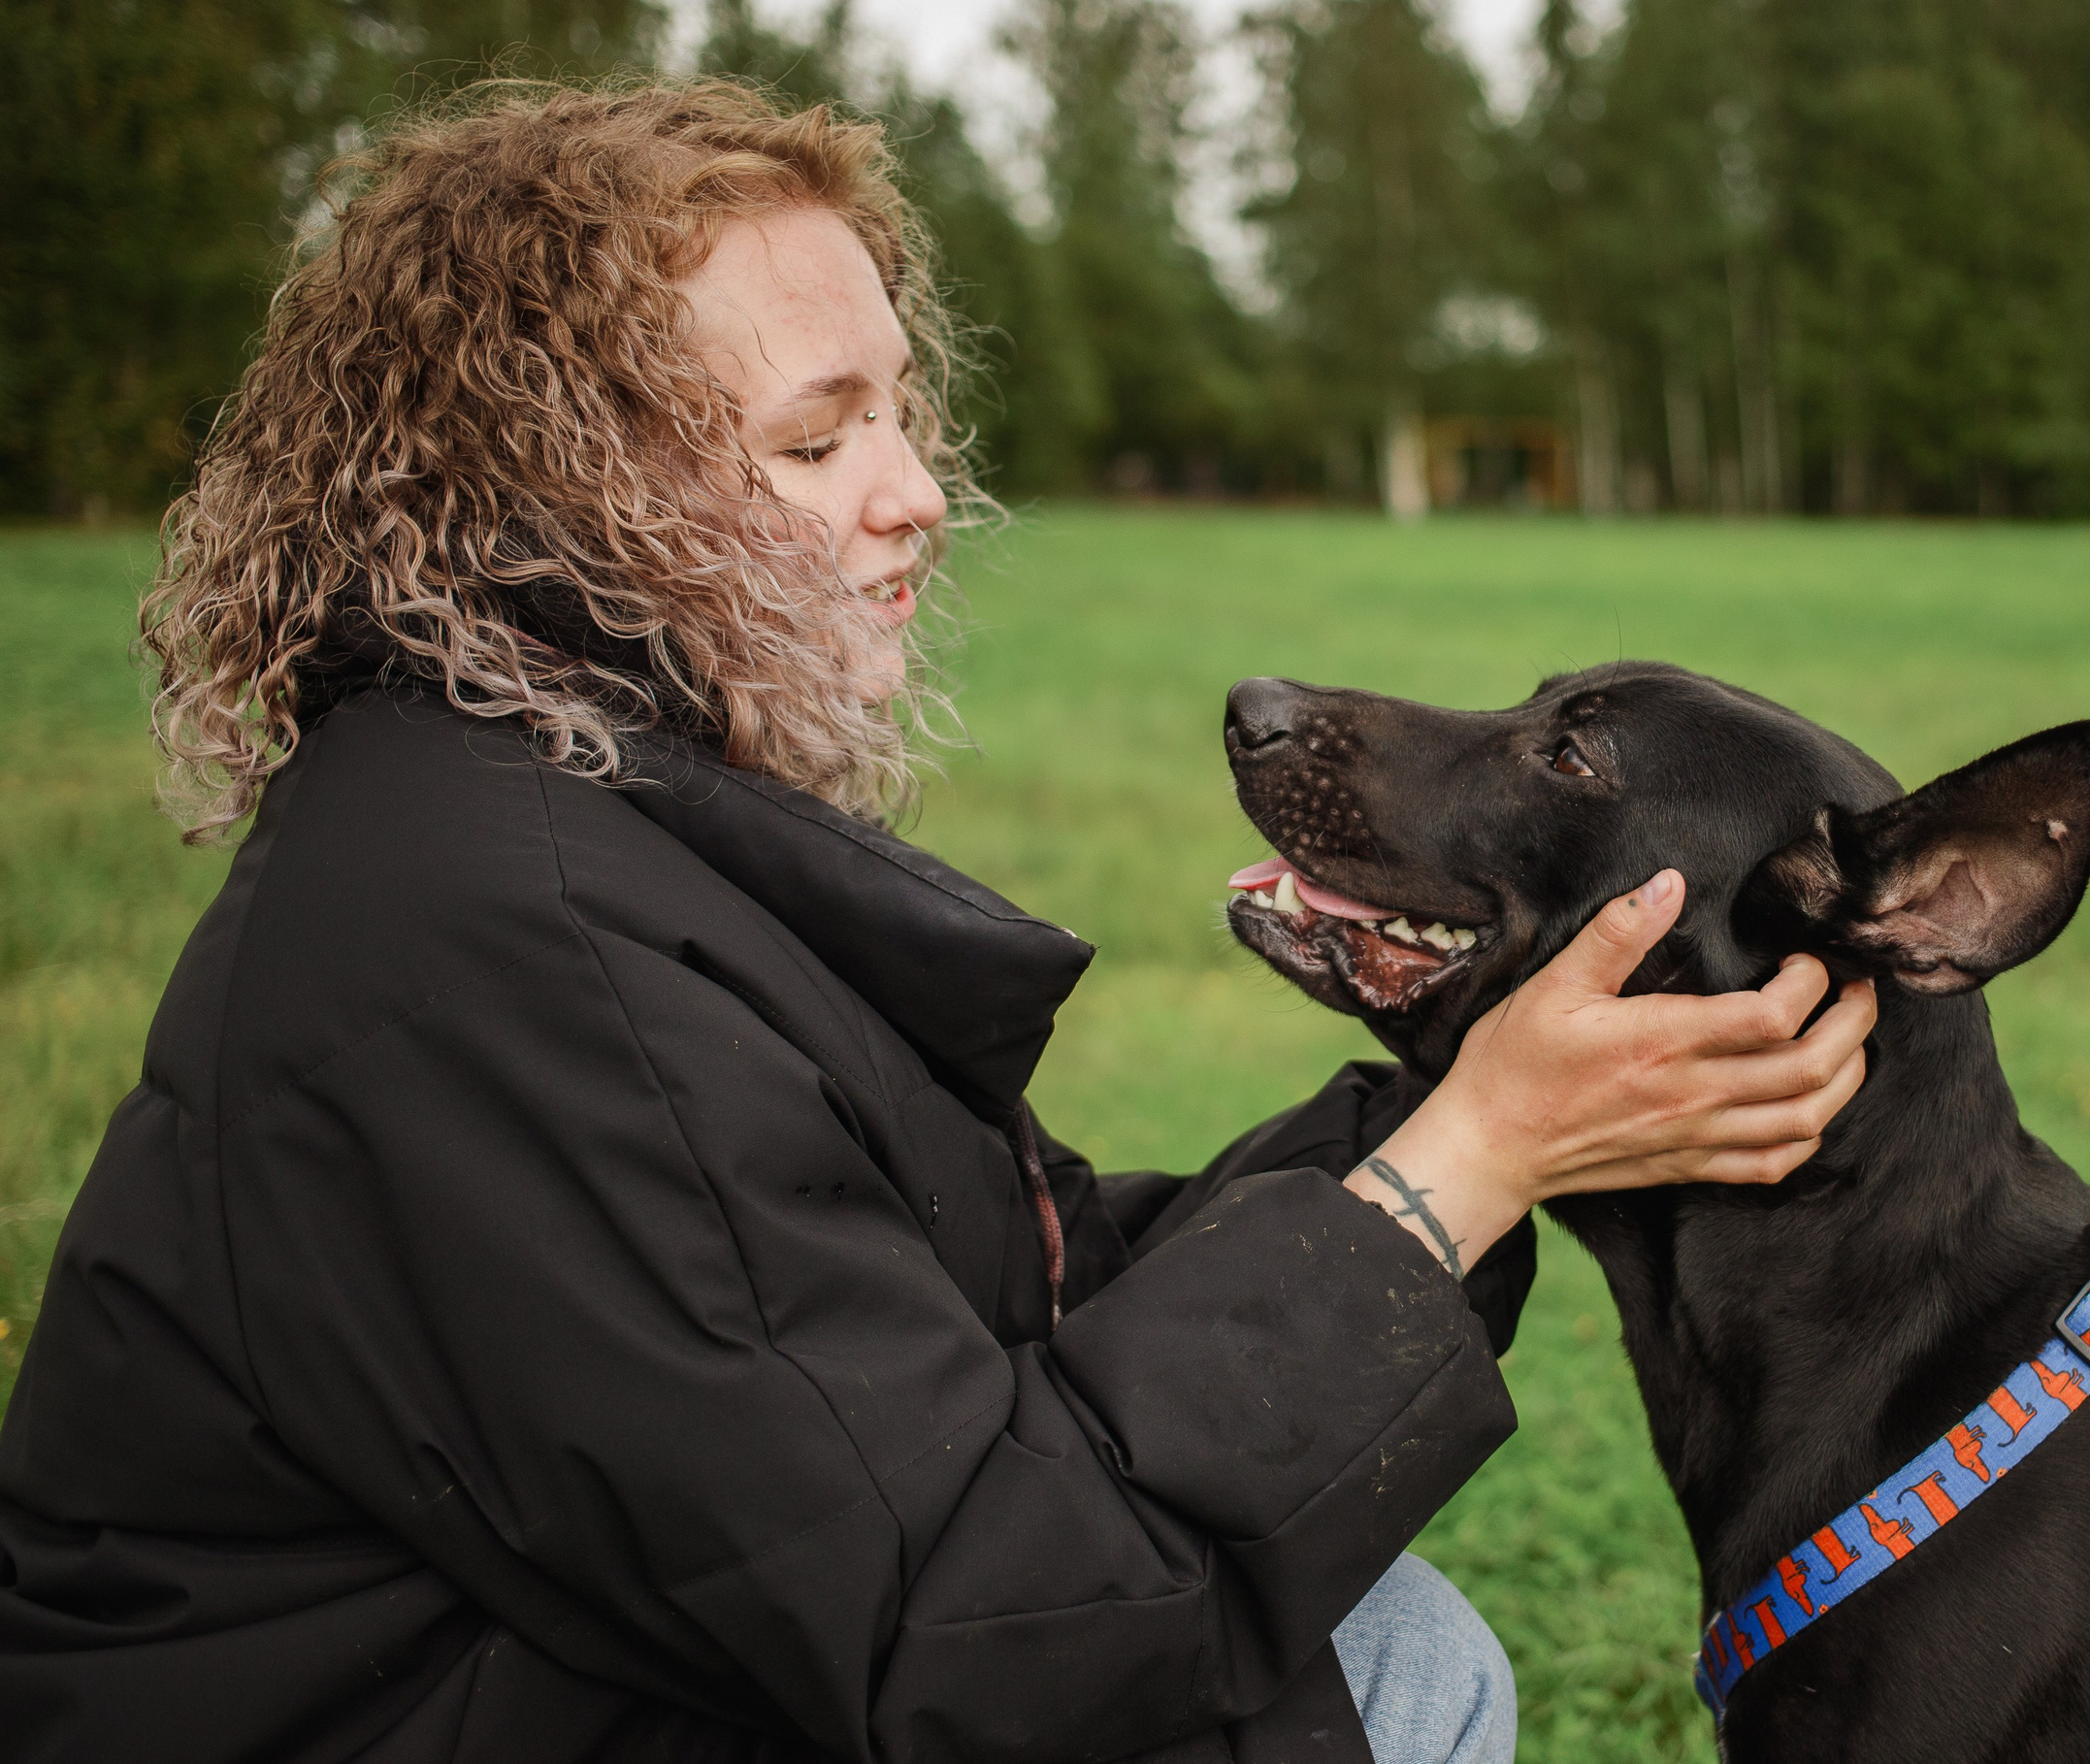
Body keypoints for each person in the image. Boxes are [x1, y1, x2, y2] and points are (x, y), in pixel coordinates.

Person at [0, 82, 1877, 1764]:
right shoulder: (503, 946)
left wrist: (1467, 1115)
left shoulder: (564, 815)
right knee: (1391, 1683)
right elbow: (971, 1630)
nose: (916, 497)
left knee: (1390, 1643)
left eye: (899, 415)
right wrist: (1470, 1158)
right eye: (817, 446)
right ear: (558, 502)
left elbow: (983, 1304)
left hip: (540, 1664)